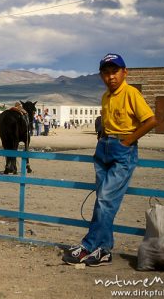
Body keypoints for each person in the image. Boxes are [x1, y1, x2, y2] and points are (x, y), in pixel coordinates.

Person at [62, 53, 158, 267]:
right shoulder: (105, 97)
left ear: (125, 72)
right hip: (104, 148)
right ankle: (103, 250)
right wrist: (104, 140)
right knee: (104, 200)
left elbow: (151, 120)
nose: (111, 77)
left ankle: (88, 246)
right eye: (106, 73)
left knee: (105, 200)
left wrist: (127, 142)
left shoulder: (131, 93)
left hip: (123, 150)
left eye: (115, 72)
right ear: (101, 76)